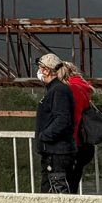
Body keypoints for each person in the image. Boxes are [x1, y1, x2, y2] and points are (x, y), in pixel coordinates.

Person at [34, 52, 76, 194]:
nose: (39, 72)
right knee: (50, 193)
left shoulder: (59, 90)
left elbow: (62, 119)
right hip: (53, 152)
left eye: (40, 68)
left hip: (57, 153)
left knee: (58, 193)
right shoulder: (55, 89)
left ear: (46, 70)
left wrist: (45, 136)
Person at [61, 60, 95, 193]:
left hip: (73, 143)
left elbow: (72, 118)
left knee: (66, 185)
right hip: (83, 143)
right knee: (73, 182)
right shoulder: (82, 87)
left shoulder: (72, 89)